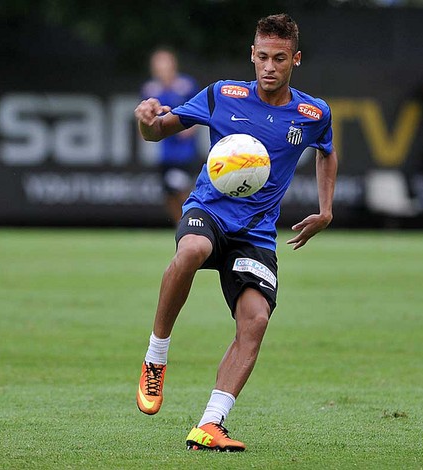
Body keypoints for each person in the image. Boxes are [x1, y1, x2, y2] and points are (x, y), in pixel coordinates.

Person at [134, 14, 337, 451]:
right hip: (207, 210)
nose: (269, 66)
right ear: (252, 54)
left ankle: (210, 424)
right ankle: (156, 357)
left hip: (256, 234)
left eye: (279, 58)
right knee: (189, 251)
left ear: (295, 60)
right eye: (262, 56)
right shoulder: (221, 94)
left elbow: (326, 152)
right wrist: (145, 121)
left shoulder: (312, 112)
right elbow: (157, 132)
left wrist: (325, 210)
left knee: (256, 320)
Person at [140, 47, 201, 224]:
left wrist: (190, 127)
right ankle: (180, 224)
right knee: (169, 192)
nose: (161, 67)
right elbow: (145, 117)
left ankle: (193, 222)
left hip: (185, 152)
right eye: (158, 63)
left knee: (182, 189)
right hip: (165, 153)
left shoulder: (186, 85)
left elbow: (197, 111)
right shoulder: (151, 89)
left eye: (165, 62)